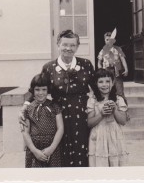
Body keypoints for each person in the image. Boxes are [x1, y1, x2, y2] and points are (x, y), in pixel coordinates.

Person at [20, 30, 98, 167]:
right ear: (58, 45)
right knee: (59, 153)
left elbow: (98, 88)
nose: (68, 48)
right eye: (65, 44)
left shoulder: (86, 64)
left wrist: (114, 100)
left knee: (81, 150)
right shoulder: (49, 67)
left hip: (80, 116)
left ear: (77, 47)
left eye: (73, 45)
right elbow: (36, 88)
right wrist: (24, 106)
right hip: (57, 116)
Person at [87, 69, 129, 167]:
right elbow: (89, 123)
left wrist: (115, 110)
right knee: (100, 164)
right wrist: (101, 114)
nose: (104, 84)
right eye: (100, 82)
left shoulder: (118, 99)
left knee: (115, 163)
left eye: (107, 81)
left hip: (114, 136)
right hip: (98, 136)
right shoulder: (93, 100)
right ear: (96, 84)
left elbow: (123, 121)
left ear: (113, 82)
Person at [21, 73, 64, 168]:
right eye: (37, 90)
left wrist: (51, 148)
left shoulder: (55, 106)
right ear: (32, 90)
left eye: (44, 89)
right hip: (34, 148)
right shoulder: (28, 109)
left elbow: (60, 128)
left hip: (52, 147)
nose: (41, 93)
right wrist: (35, 151)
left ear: (48, 90)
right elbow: (25, 132)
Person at [97, 32, 128, 99]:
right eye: (107, 40)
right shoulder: (102, 51)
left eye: (110, 40)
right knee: (108, 90)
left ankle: (122, 107)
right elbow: (99, 62)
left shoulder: (118, 49)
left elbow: (122, 59)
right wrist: (101, 71)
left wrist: (126, 69)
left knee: (119, 90)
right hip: (107, 72)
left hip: (116, 71)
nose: (109, 41)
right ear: (104, 40)